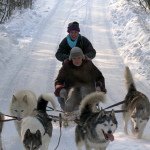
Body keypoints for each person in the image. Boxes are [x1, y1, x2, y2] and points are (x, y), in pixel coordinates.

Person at [54, 47, 106, 112]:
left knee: (84, 90)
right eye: (74, 58)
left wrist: (99, 86)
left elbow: (99, 77)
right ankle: (68, 111)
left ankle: (88, 110)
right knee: (72, 93)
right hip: (71, 88)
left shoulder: (88, 64)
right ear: (71, 58)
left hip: (88, 87)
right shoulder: (66, 66)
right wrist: (60, 89)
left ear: (82, 57)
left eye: (78, 58)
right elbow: (58, 80)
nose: (77, 60)